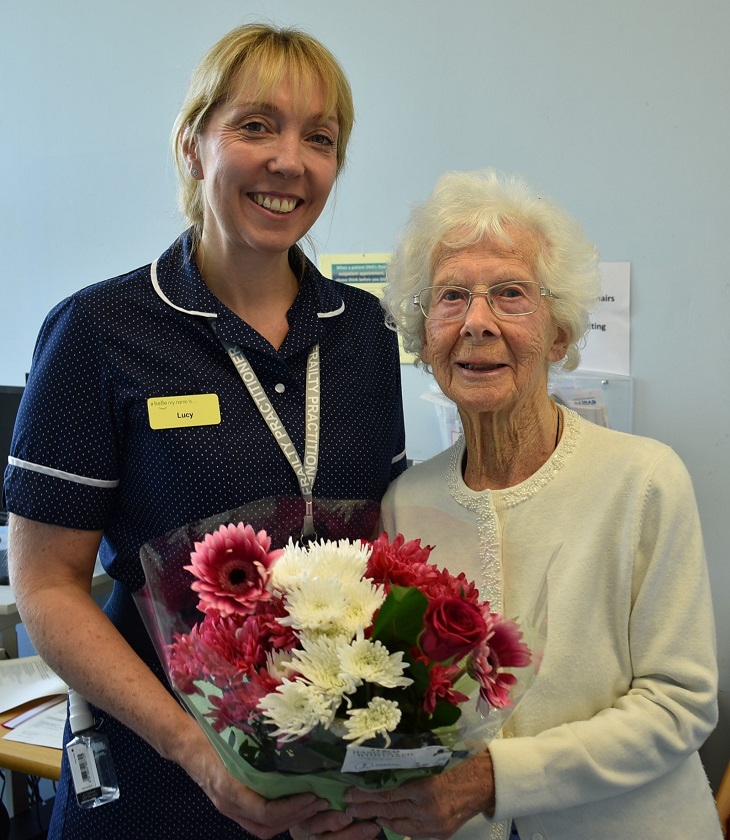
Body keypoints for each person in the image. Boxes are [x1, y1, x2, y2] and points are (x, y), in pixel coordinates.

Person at [3, 24, 406, 840]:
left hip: (327, 783)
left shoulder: (364, 333)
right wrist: (200, 752)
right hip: (158, 777)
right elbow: (47, 585)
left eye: (319, 138)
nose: (289, 160)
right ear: (193, 145)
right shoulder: (101, 330)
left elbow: (380, 557)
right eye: (255, 125)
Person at [290, 168, 721, 839]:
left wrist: (492, 779)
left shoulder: (643, 480)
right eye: (451, 298)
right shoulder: (407, 502)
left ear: (557, 333)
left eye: (511, 296)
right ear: (422, 334)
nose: (477, 324)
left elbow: (679, 705)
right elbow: (406, 700)